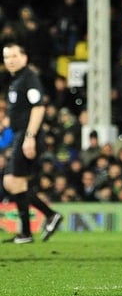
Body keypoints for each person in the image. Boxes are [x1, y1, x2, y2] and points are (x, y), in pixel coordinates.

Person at [2, 43, 63, 243]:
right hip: (20, 134)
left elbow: (38, 108)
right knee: (15, 182)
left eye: (13, 56)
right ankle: (29, 231)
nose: (10, 60)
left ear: (24, 57)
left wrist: (29, 137)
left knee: (13, 181)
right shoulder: (17, 80)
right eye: (6, 57)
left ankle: (44, 219)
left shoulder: (29, 78)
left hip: (28, 135)